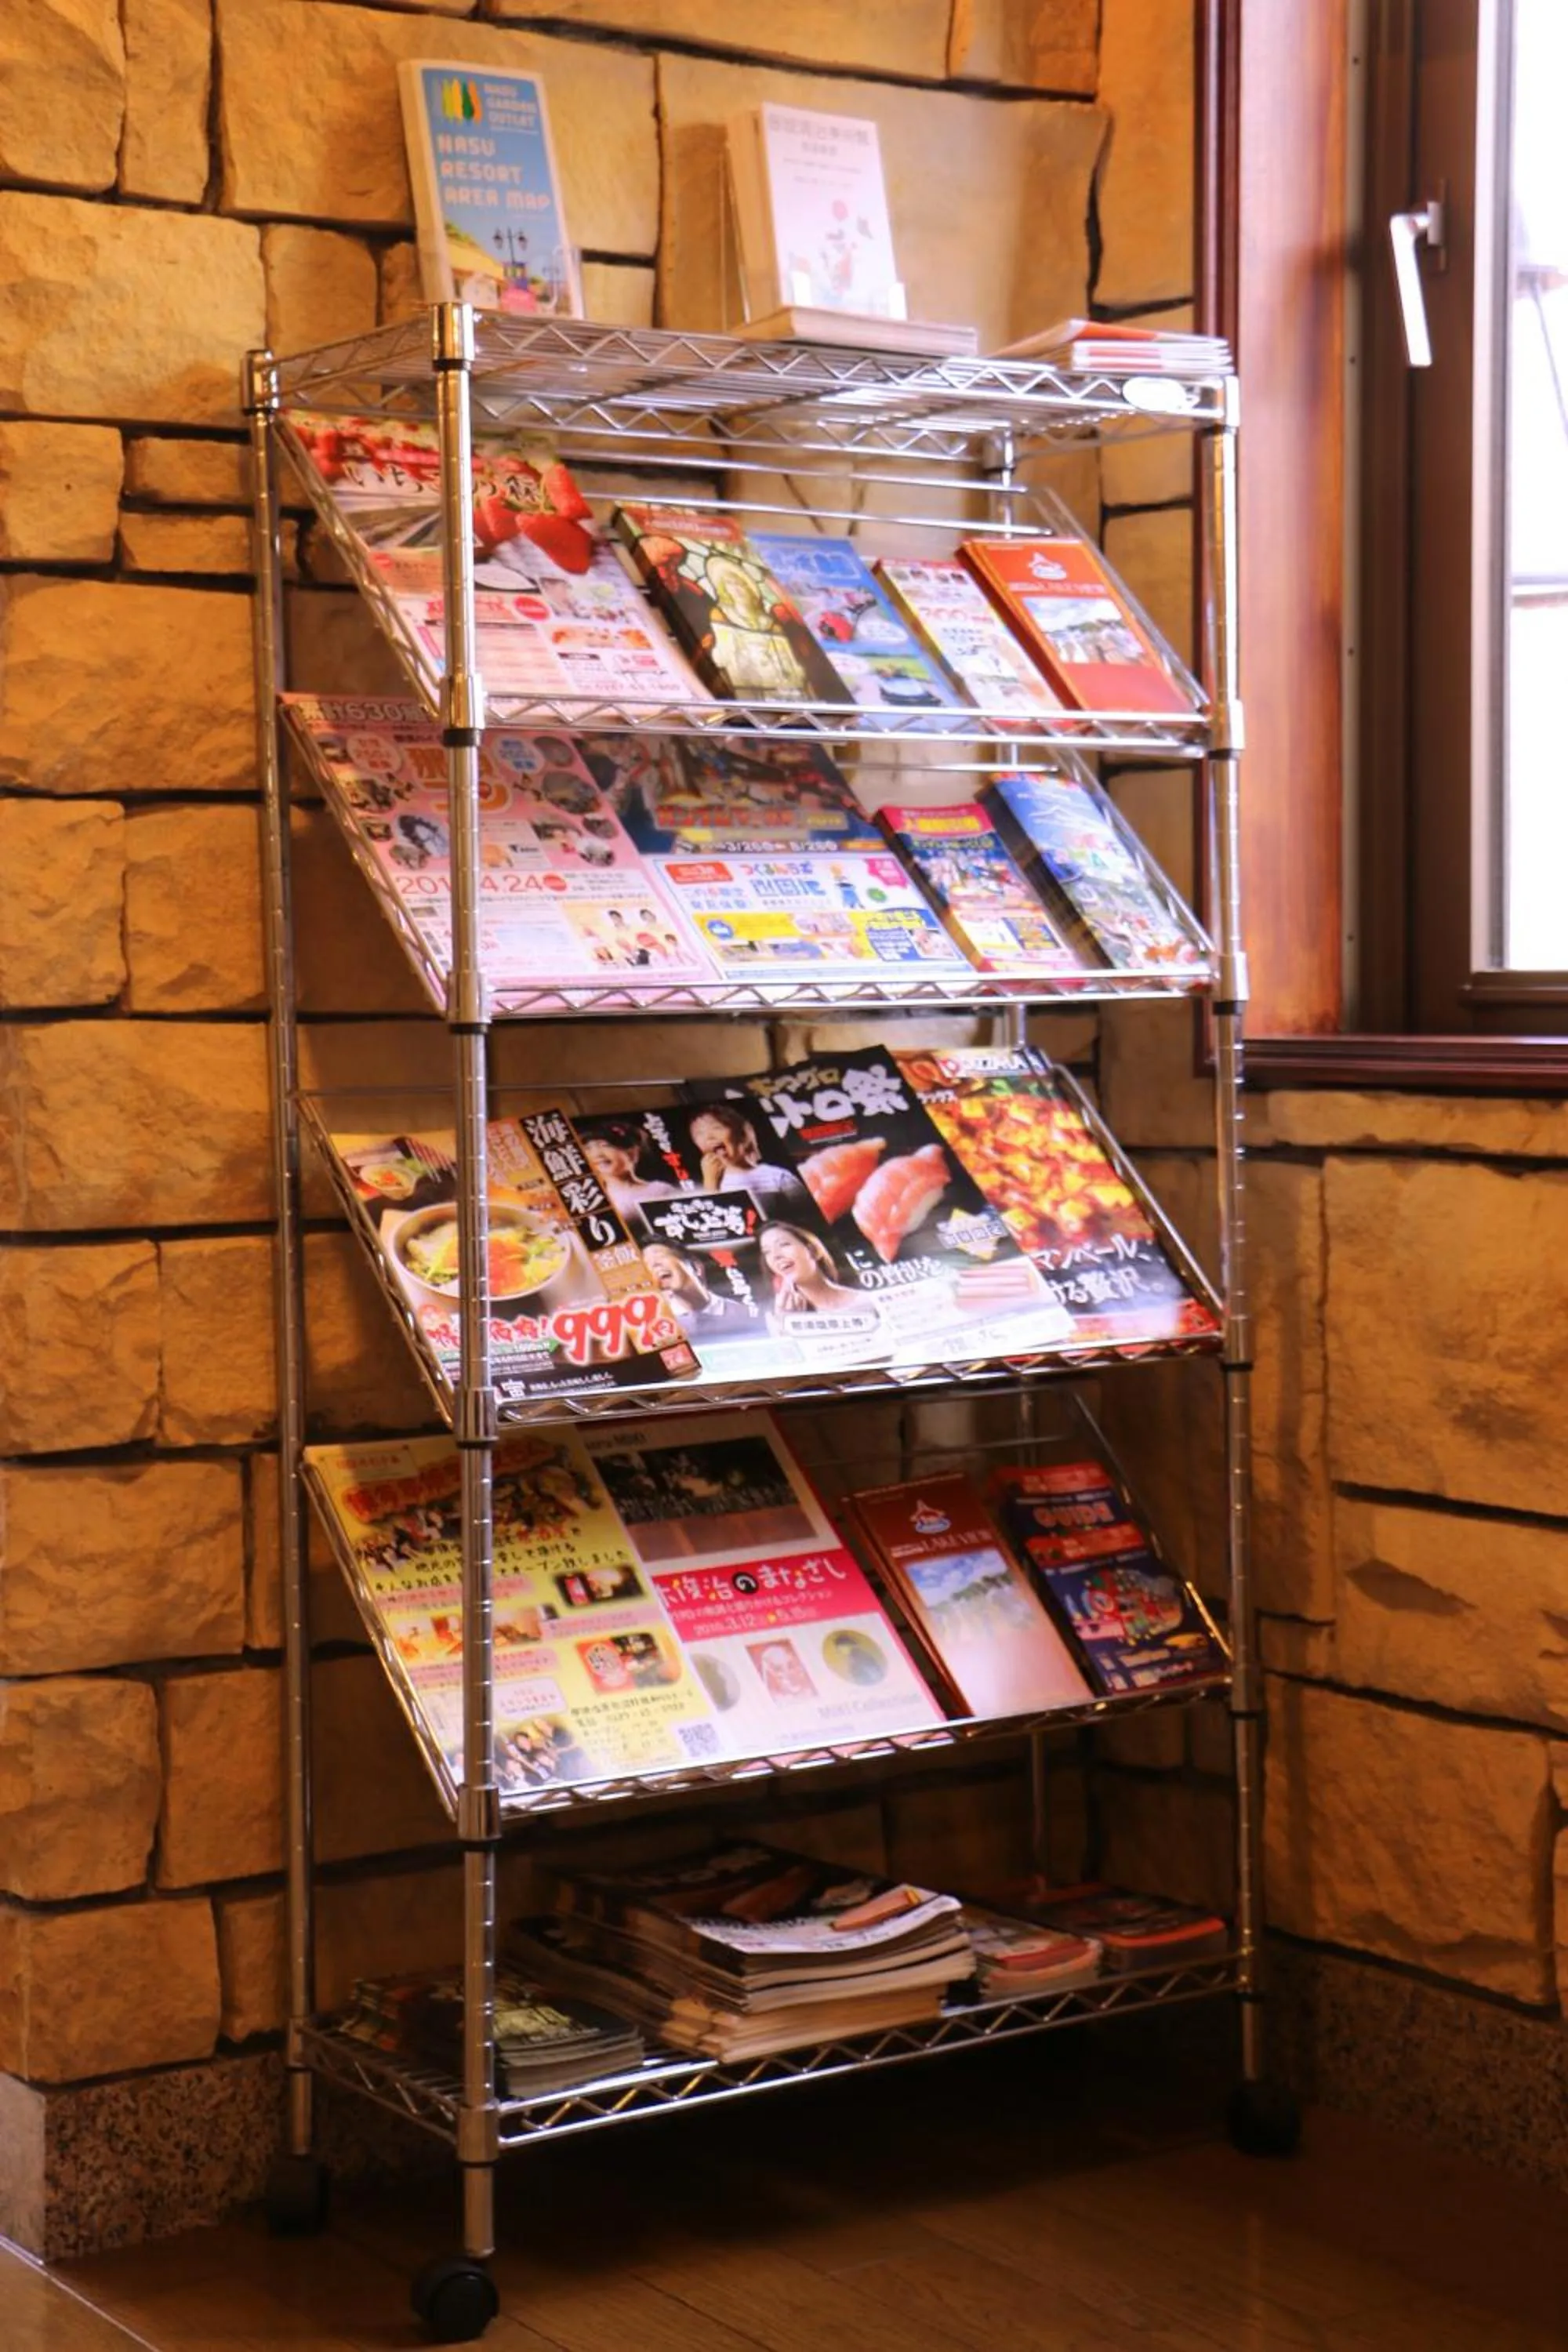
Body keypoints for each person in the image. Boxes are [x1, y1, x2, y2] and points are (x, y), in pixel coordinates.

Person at [686, 1102, 811, 1216]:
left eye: (716, 1128)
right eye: (699, 1133)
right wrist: (710, 1182)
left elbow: (807, 1213)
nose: (709, 1137)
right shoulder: (707, 1185)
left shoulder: (778, 1176)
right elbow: (712, 1219)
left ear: (741, 1135)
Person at [759, 1221, 867, 1323]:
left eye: (783, 1244)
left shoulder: (867, 1300)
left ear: (813, 1250)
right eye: (767, 1252)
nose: (776, 1256)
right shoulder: (777, 1319)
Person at [580, 1120, 680, 1232]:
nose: (597, 1154)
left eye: (605, 1145)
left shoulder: (661, 1190)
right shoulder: (590, 1202)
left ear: (632, 1152)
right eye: (588, 1148)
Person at [641, 1241, 752, 1341]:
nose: (654, 1266)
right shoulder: (659, 1327)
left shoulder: (745, 1313)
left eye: (660, 1257)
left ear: (696, 1266)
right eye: (647, 1265)